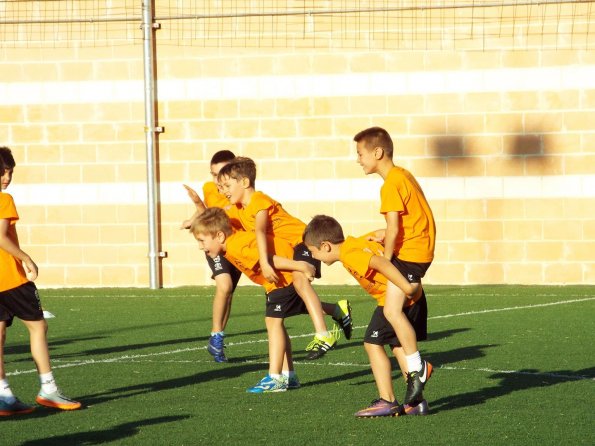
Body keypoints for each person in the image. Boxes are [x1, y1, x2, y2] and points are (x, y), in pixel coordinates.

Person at [189, 207, 344, 392]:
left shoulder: (236, 246)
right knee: (276, 322)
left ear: (220, 236)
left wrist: (299, 266)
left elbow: (270, 261)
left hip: (282, 278)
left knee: (273, 322)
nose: (200, 246)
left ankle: (275, 377)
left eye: (202, 241)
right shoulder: (232, 245)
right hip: (277, 282)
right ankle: (289, 376)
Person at [217, 157, 352, 359]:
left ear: (245, 182)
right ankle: (337, 310)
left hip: (303, 243)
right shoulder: (238, 208)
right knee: (294, 299)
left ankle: (323, 335)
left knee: (299, 282)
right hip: (288, 251)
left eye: (227, 185)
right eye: (221, 186)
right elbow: (215, 216)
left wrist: (264, 262)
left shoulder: (259, 202)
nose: (223, 191)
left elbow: (261, 232)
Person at [303, 214, 430, 417]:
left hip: (396, 297)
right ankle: (416, 402)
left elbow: (380, 263)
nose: (313, 257)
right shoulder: (356, 242)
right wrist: (384, 233)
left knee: (372, 342)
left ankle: (387, 400)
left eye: (312, 252)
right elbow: (384, 236)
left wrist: (404, 287)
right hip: (410, 296)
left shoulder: (350, 253)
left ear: (325, 246)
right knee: (397, 346)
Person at [353, 126, 436, 405]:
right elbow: (407, 220)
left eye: (360, 153)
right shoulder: (403, 175)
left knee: (391, 310)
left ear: (378, 152)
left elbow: (394, 224)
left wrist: (387, 259)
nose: (358, 159)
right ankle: (415, 376)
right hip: (417, 248)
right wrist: (385, 233)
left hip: (412, 253)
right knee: (391, 312)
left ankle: (418, 368)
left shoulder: (390, 184)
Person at [0, 146, 81, 416]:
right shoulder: (4, 199)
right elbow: (1, 237)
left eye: (9, 172)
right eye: (3, 172)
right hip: (11, 279)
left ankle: (3, 395)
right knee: (38, 327)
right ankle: (48, 389)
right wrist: (26, 258)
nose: (6, 178)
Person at [180, 150, 242, 363]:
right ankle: (215, 336)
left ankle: (219, 338)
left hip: (236, 245)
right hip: (216, 245)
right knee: (224, 285)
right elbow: (206, 212)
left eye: (221, 174)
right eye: (213, 174)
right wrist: (194, 213)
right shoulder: (209, 188)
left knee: (229, 290)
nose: (216, 180)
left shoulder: (239, 190)